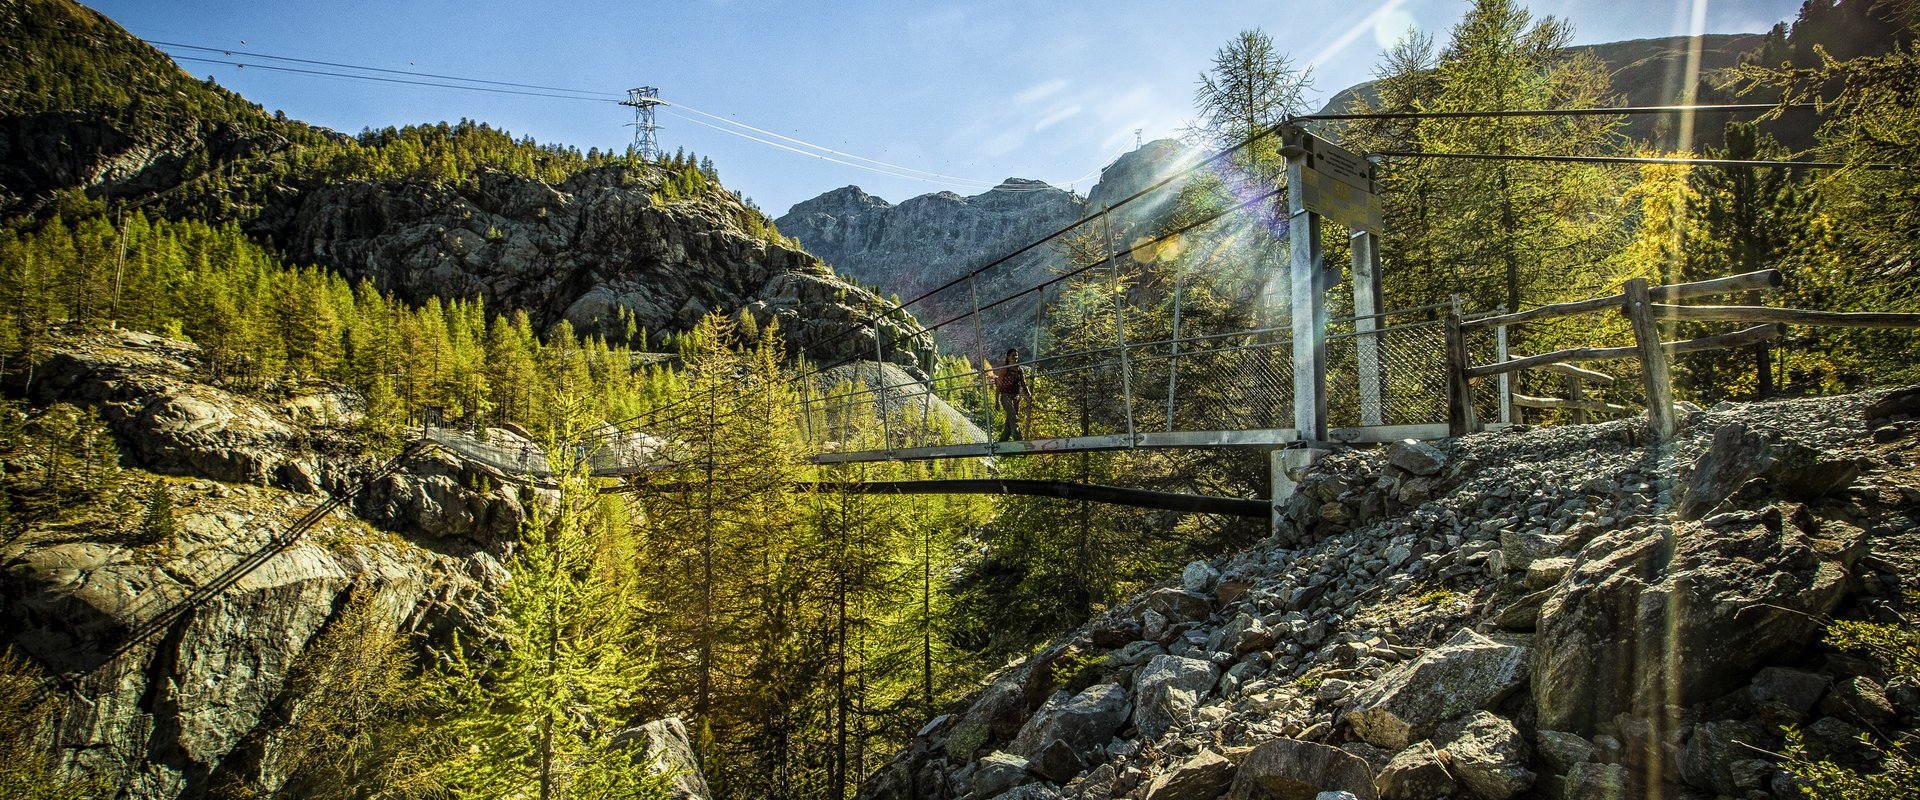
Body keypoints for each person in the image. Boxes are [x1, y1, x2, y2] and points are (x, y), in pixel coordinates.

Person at [992, 347, 1033, 441]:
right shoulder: (1004, 369)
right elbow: (999, 385)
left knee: (1009, 421)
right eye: (1013, 355)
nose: (1015, 357)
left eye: (1016, 355)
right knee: (1013, 418)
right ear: (1008, 357)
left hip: (1016, 397)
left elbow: (1024, 384)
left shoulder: (1019, 370)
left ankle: (1002, 442)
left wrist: (1029, 395)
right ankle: (1019, 441)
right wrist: (996, 401)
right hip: (1005, 396)